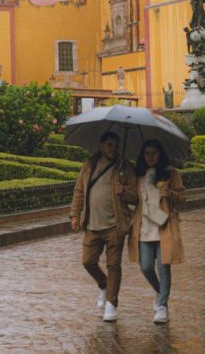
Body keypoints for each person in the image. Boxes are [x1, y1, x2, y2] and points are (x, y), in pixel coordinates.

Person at [70, 131, 138, 322]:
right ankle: (103, 284)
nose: (113, 148)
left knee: (113, 265)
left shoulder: (125, 167)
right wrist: (75, 214)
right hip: (92, 224)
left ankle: (111, 304)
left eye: (115, 145)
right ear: (101, 146)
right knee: (87, 261)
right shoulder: (89, 165)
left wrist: (123, 191)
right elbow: (79, 191)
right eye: (109, 145)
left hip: (115, 225)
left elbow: (136, 195)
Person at [129, 139, 187, 324]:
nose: (150, 157)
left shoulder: (170, 174)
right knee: (145, 266)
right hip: (144, 227)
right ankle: (160, 292)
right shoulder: (138, 174)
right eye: (147, 153)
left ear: (160, 154)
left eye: (154, 153)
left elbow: (182, 196)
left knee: (163, 267)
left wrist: (170, 194)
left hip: (163, 226)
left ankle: (162, 306)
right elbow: (133, 199)